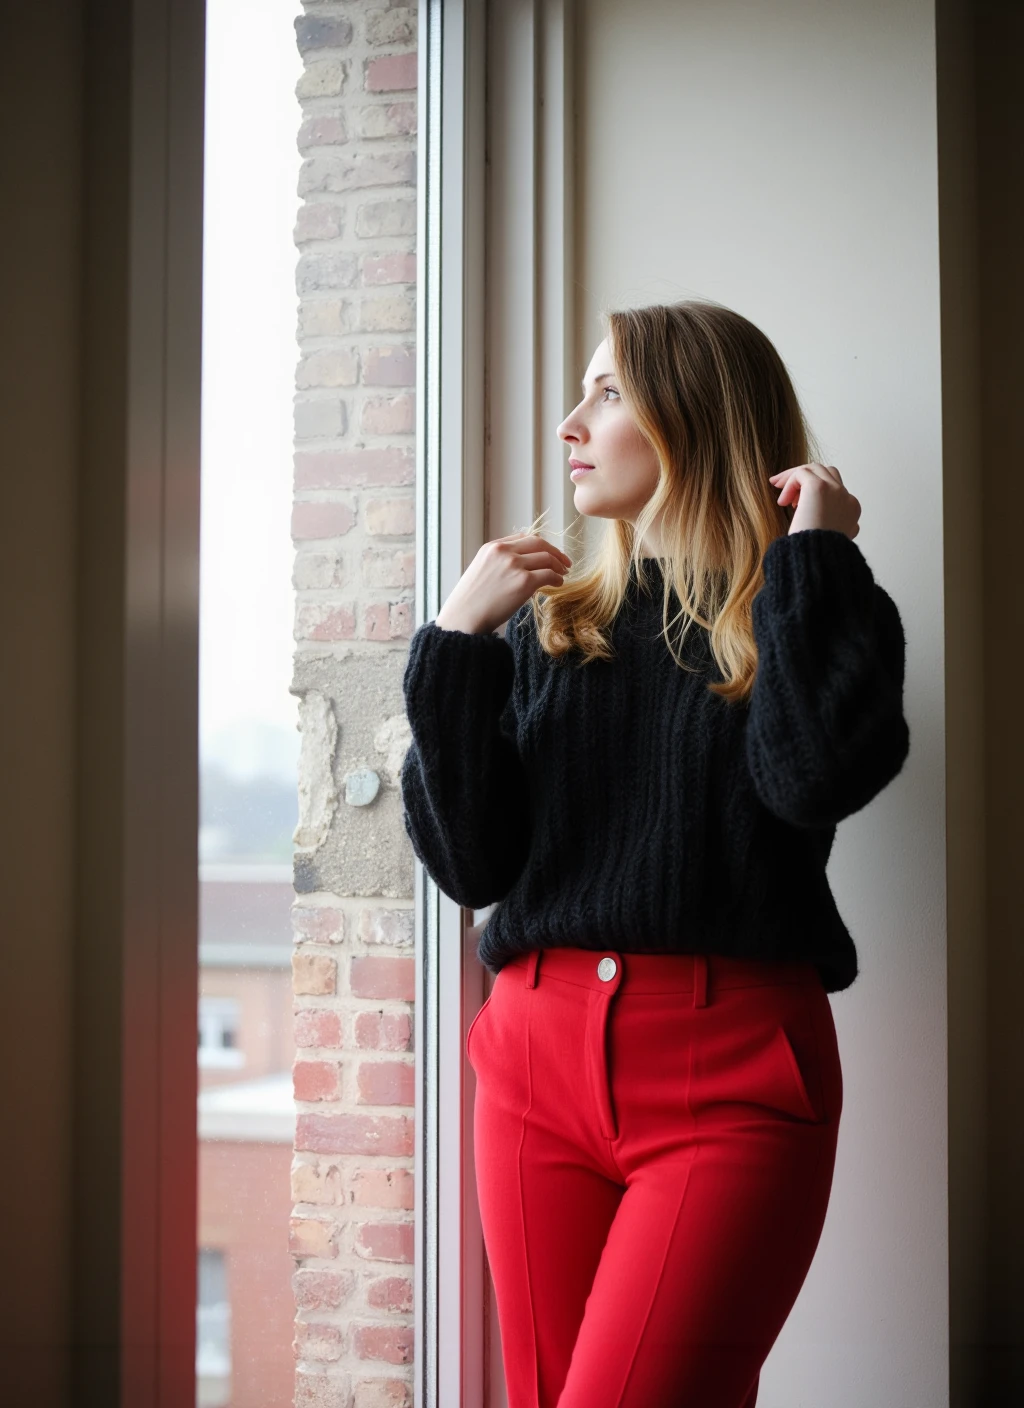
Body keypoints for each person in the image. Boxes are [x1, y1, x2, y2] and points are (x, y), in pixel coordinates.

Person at [399, 299, 911, 1408]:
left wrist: (812, 560)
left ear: (695, 415)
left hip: (731, 1071)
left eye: (608, 392)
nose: (569, 422)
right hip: (531, 1063)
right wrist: (451, 646)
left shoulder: (805, 611)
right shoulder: (546, 625)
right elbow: (468, 865)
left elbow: (815, 776)